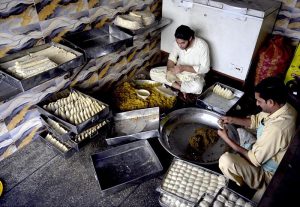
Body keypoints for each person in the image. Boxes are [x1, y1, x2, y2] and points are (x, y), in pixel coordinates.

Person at [217, 76, 297, 203]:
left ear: (270, 102)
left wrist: (227, 139)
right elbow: (255, 121)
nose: (257, 104)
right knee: (239, 131)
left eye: (259, 101)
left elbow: (255, 160)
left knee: (225, 161)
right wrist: (231, 119)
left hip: (269, 172)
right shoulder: (282, 107)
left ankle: (250, 185)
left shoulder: (278, 129)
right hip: (265, 149)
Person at [150, 25, 210, 97]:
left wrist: (184, 68)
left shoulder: (202, 45)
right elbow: (172, 58)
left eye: (182, 43)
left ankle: (180, 86)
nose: (179, 45)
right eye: (178, 42)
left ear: (190, 38)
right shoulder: (178, 43)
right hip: (178, 72)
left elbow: (205, 68)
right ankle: (181, 88)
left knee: (198, 87)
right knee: (153, 72)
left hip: (193, 76)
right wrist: (170, 72)